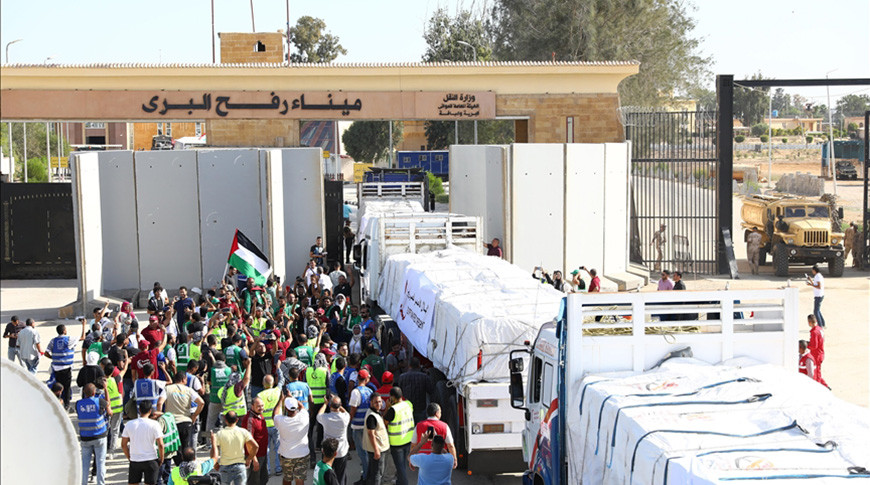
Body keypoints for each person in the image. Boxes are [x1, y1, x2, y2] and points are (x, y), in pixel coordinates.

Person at [122, 401, 165, 485]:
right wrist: (161, 458)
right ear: (150, 411)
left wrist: (129, 457)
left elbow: (123, 445)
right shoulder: (155, 424)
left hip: (135, 460)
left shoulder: (129, 424)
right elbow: (160, 444)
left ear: (139, 410)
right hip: (151, 459)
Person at [47, 319, 88, 409]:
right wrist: (84, 325)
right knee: (67, 387)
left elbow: (46, 352)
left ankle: (58, 402)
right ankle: (67, 405)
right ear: (64, 331)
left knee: (58, 386)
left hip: (56, 368)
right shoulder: (69, 339)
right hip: (66, 368)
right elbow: (83, 337)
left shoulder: (53, 341)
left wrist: (54, 358)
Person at [213, 411, 260, 485]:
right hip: (240, 466)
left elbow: (214, 449)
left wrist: (215, 463)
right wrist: (249, 458)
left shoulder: (220, 434)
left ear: (225, 420)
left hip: (225, 466)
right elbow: (256, 446)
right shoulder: (243, 432)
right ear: (237, 420)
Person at [77, 383, 111, 485]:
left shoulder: (78, 404)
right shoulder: (99, 401)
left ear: (84, 392)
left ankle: (83, 483)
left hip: (85, 438)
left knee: (85, 464)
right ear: (94, 392)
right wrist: (105, 389)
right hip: (99, 436)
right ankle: (100, 483)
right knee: (100, 462)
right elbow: (109, 407)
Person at [164, 370, 206, 451]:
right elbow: (201, 403)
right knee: (185, 446)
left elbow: (159, 403)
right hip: (185, 421)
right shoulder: (189, 390)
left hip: (171, 422)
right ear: (183, 379)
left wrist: (162, 415)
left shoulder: (167, 389)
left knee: (174, 447)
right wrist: (194, 416)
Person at [274, 396, 310, 485]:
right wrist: (293, 398)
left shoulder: (280, 420)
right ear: (296, 407)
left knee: (287, 478)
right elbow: (302, 407)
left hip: (287, 455)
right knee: (300, 479)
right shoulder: (304, 416)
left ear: (286, 408)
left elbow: (275, 414)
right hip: (302, 454)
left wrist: (280, 400)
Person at [383, 387, 414, 485]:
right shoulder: (408, 404)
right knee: (403, 465)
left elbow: (385, 422)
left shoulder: (393, 410)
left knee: (400, 468)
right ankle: (399, 482)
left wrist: (387, 407)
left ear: (392, 397)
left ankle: (403, 483)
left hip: (397, 443)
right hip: (407, 440)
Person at [317, 395, 351, 485]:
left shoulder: (325, 418)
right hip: (341, 451)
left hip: (328, 452)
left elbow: (319, 414)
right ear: (340, 405)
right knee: (341, 477)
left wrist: (325, 404)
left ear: (330, 405)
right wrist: (339, 405)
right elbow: (346, 412)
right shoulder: (345, 418)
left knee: (327, 477)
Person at [349, 369, 374, 482]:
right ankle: (368, 474)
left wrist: (349, 420)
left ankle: (366, 477)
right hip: (367, 425)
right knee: (367, 452)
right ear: (367, 379)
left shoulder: (355, 392)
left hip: (358, 426)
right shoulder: (370, 391)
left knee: (362, 453)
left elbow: (353, 410)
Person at [257, 375, 284, 478]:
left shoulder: (260, 395)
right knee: (277, 448)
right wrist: (278, 369)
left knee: (266, 449)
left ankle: (267, 470)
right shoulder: (277, 391)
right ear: (273, 383)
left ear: (263, 384)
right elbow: (282, 380)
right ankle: (278, 468)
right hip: (276, 424)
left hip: (264, 426)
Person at [238, 397, 269, 485]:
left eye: (262, 405)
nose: (261, 408)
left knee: (263, 479)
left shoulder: (260, 415)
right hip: (255, 456)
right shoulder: (250, 420)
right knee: (254, 482)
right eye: (258, 406)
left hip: (262, 454)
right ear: (252, 406)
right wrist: (254, 460)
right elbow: (248, 441)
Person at [395, 358, 435, 424]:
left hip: (406, 408)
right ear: (419, 365)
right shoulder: (424, 377)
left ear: (409, 366)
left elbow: (399, 392)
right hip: (420, 408)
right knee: (420, 427)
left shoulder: (402, 377)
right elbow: (431, 391)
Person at [362, 393, 390, 485]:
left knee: (373, 472)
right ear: (371, 403)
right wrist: (376, 450)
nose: (378, 404)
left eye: (380, 401)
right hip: (378, 449)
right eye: (376, 402)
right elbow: (371, 434)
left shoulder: (375, 412)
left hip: (378, 448)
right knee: (378, 474)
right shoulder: (372, 416)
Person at [207, 352, 233, 435]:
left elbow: (209, 382)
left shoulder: (212, 370)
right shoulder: (229, 370)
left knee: (211, 421)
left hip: (214, 399)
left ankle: (209, 440)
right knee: (227, 421)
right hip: (226, 399)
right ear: (224, 360)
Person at [807, 314, 829, 389]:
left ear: (809, 322)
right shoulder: (819, 329)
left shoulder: (814, 332)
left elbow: (814, 346)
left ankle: (820, 388)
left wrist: (807, 345)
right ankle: (825, 386)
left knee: (817, 374)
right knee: (818, 372)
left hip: (816, 355)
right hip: (820, 353)